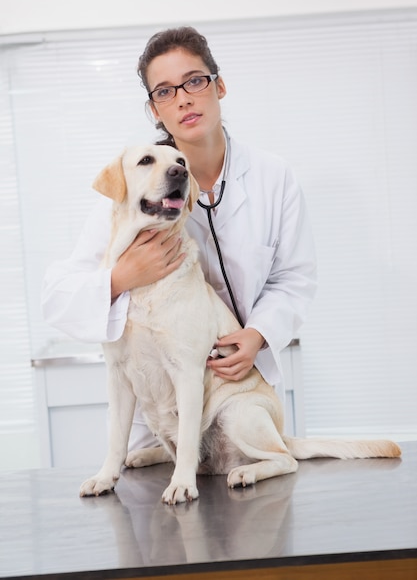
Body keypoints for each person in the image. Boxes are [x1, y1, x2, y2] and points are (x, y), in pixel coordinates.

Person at [41, 26, 317, 450]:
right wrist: (120, 278)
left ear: (219, 85)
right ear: (154, 109)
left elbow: (293, 279)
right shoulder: (132, 187)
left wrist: (258, 333)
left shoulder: (273, 177)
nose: (184, 98)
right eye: (165, 91)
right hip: (154, 425)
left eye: (194, 81)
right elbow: (59, 296)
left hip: (232, 396)